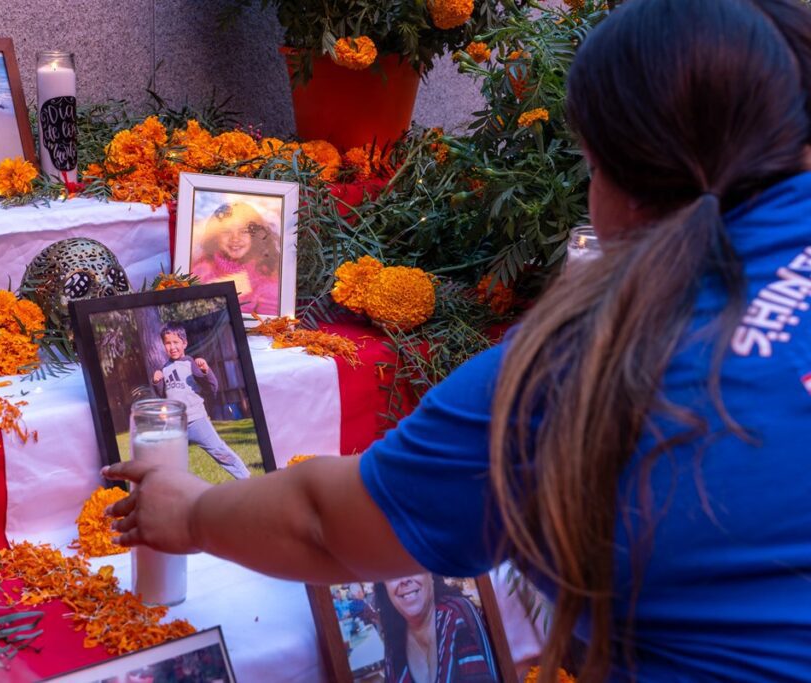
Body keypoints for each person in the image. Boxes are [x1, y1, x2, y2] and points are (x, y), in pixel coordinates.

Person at [103, 0, 811, 680]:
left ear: (615, 178)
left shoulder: (583, 369)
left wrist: (192, 510)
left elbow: (325, 522)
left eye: (588, 165)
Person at [151, 322, 250, 480]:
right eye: (167, 343)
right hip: (176, 424)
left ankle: (246, 479)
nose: (172, 347)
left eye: (175, 342)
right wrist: (157, 383)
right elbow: (165, 395)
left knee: (220, 451)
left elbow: (212, 387)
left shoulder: (190, 363)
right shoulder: (165, 368)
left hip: (196, 420)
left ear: (184, 343)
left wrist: (206, 371)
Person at [376, 574, 498, 683]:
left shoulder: (458, 614)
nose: (404, 579)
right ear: (384, 587)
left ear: (431, 573)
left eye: (412, 567)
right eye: (393, 573)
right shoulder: (393, 637)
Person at [191, 201, 281, 316]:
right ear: (215, 236)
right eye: (226, 231)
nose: (235, 238)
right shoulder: (201, 269)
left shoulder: (267, 278)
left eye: (243, 231)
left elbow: (269, 327)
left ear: (255, 236)